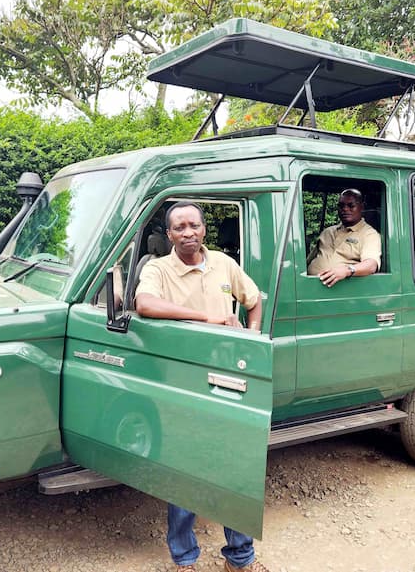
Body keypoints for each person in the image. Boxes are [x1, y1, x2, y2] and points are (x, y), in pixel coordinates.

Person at [135, 201, 269, 572]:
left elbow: (254, 300)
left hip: (229, 376)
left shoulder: (224, 263)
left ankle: (240, 558)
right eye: (179, 227)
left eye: (193, 225)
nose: (188, 232)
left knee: (236, 467)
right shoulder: (158, 269)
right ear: (169, 234)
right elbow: (144, 304)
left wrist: (251, 337)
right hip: (183, 379)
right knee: (186, 470)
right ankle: (185, 558)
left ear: (204, 229)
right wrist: (206, 318)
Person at [306, 188, 381, 286]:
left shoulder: (369, 234)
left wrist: (347, 270)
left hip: (340, 292)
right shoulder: (327, 232)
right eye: (341, 206)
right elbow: (308, 261)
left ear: (361, 207)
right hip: (308, 287)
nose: (345, 209)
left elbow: (371, 265)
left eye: (351, 205)